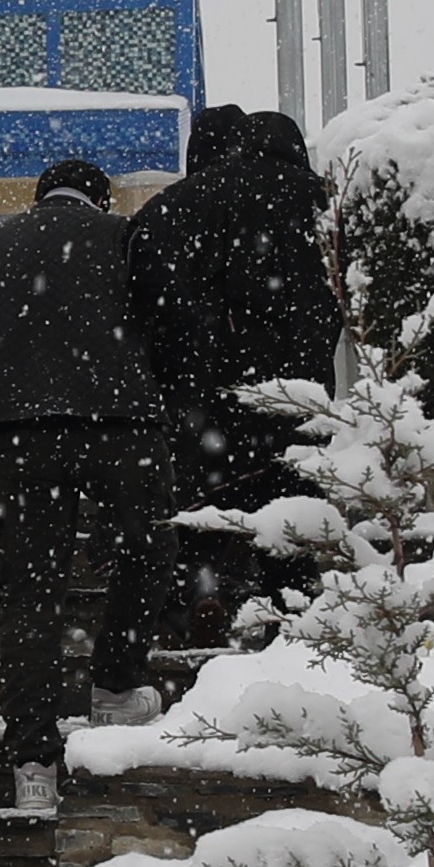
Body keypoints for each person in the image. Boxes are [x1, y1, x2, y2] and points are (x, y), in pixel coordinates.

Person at [0, 153, 176, 811]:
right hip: (119, 426)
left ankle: (33, 764)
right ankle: (115, 682)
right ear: (100, 199)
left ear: (41, 197)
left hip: (19, 437)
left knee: (31, 597)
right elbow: (168, 332)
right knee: (148, 546)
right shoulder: (125, 238)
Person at [131, 103, 342, 639]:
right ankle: (292, 618)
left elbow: (142, 301)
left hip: (203, 400)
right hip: (298, 400)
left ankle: (193, 606)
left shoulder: (175, 206)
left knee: (199, 513)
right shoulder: (324, 202)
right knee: (289, 521)